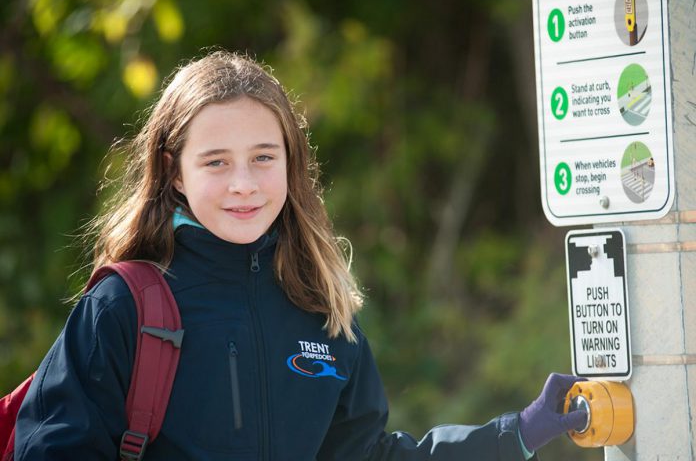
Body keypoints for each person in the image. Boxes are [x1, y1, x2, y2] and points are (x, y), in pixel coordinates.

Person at [14, 51, 586, 460]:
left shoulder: (323, 311)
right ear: (173, 171)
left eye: (264, 157)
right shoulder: (123, 307)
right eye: (216, 161)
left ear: (291, 162)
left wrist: (517, 434)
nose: (244, 183)